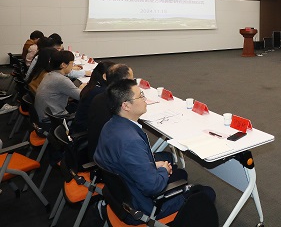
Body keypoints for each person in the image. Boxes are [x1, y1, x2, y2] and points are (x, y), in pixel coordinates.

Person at [94, 79, 216, 223]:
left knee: (180, 174)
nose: (145, 99)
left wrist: (151, 164)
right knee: (206, 193)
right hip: (141, 209)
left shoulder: (110, 126)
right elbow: (153, 187)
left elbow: (125, 164)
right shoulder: (131, 141)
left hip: (120, 197)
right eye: (140, 96)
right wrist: (163, 170)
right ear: (126, 106)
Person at [87, 64, 135, 158]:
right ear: (124, 82)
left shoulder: (100, 96)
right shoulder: (119, 104)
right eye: (132, 80)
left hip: (97, 148)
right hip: (110, 155)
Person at [34, 50, 85, 128]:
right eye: (72, 63)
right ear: (63, 65)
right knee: (85, 108)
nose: (72, 66)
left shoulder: (49, 74)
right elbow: (81, 96)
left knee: (75, 104)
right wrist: (82, 87)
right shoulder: (61, 80)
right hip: (52, 120)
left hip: (43, 115)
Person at [70, 61, 115, 134]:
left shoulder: (92, 86)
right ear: (104, 76)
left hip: (80, 126)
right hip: (86, 131)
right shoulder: (101, 93)